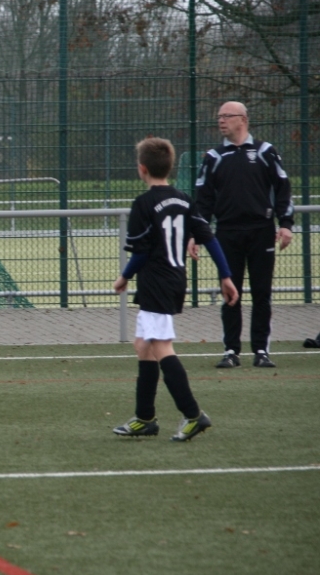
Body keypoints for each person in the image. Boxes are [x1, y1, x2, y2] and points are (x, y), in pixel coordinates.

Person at [113, 138, 239, 442]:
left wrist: (124, 276)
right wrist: (225, 276)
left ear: (142, 169)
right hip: (174, 279)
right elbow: (209, 238)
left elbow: (141, 252)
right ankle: (145, 417)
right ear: (169, 167)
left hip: (156, 282)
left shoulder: (143, 204)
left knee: (161, 347)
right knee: (143, 346)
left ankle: (193, 415)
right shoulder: (184, 200)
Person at [188, 101, 294, 369]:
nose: (221, 121)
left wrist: (286, 224)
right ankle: (231, 350)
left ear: (243, 119)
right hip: (227, 233)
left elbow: (283, 188)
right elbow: (203, 200)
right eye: (219, 116)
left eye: (227, 116)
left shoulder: (265, 151)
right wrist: (195, 234)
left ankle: (261, 350)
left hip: (262, 232)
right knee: (230, 293)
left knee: (262, 293)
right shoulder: (213, 157)